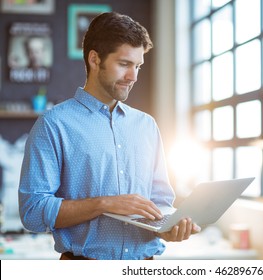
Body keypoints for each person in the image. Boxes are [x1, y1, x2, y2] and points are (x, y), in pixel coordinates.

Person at [18, 12, 200, 260]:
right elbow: (33, 212)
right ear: (95, 59)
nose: (133, 76)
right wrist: (103, 204)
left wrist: (169, 228)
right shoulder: (53, 124)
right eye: (124, 64)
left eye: (137, 66)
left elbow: (160, 202)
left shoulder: (146, 125)